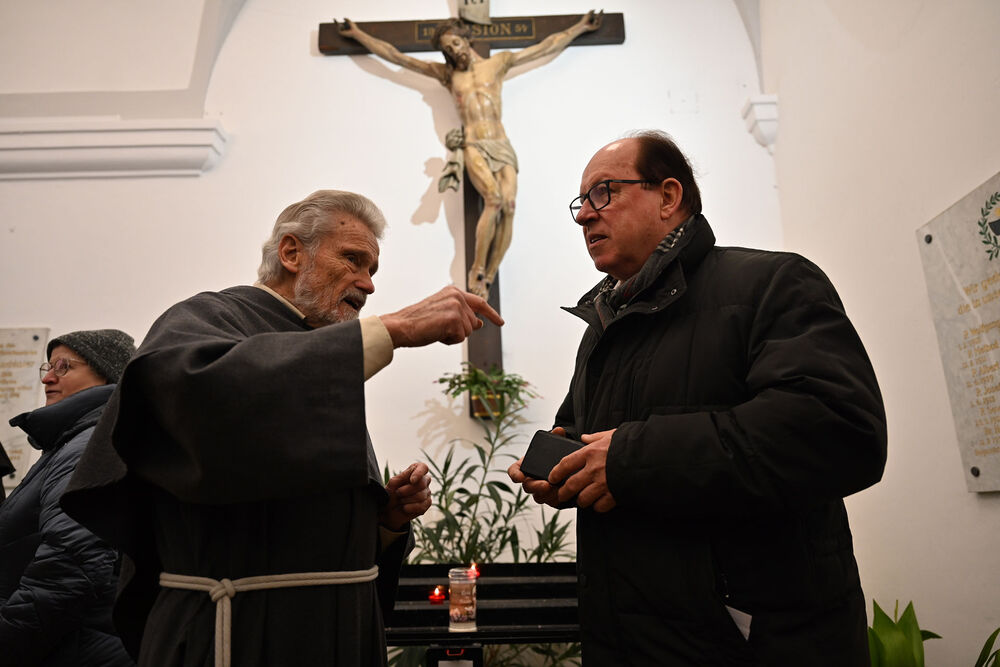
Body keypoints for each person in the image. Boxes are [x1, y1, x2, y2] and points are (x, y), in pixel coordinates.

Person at [60, 190, 504, 667]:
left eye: (372, 269)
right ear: (291, 252)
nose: (368, 284)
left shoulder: (316, 351)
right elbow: (199, 408)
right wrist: (391, 330)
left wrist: (383, 521)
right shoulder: (209, 318)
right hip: (238, 631)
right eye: (353, 260)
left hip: (332, 629)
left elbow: (292, 518)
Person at [508, 132, 887, 665]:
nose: (584, 216)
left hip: (749, 642)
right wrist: (566, 463)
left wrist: (628, 460)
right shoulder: (602, 329)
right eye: (582, 201)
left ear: (668, 196)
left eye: (604, 193)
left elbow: (840, 431)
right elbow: (591, 437)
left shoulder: (771, 283)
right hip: (627, 642)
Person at [339, 12, 602, 298]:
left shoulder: (499, 63)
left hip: (501, 143)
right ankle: (477, 269)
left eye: (456, 43)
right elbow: (397, 57)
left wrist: (580, 27)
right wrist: (358, 34)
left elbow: (545, 46)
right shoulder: (448, 75)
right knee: (494, 199)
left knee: (509, 206)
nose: (454, 51)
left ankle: (489, 275)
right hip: (474, 144)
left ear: (467, 40)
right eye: (447, 49)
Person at [1, 329, 136, 667]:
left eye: (64, 367)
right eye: (48, 366)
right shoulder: (71, 443)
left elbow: (73, 565)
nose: (48, 378)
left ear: (107, 374)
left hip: (73, 649)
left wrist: (7, 637)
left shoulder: (89, 445)